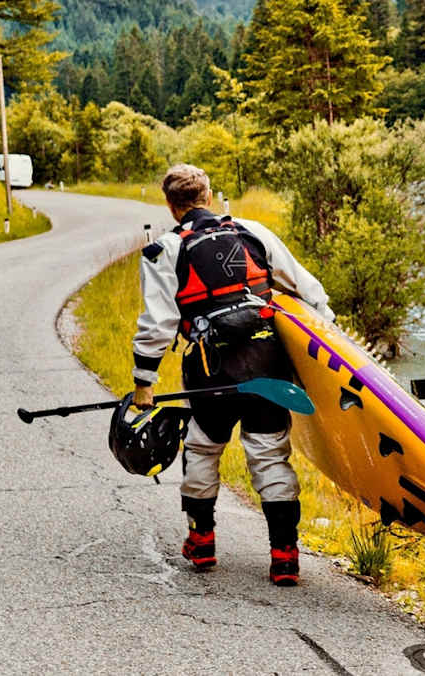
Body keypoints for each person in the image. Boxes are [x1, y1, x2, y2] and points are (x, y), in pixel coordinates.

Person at [130, 164, 334, 586]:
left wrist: (143, 381)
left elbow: (158, 322)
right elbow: (307, 290)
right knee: (269, 453)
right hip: (267, 362)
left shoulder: (165, 249)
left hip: (210, 371)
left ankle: (201, 543)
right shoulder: (253, 231)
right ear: (207, 195)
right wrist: (330, 351)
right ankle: (284, 556)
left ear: (171, 205)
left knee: (203, 450)